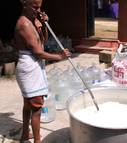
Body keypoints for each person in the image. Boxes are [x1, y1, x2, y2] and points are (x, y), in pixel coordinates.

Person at [13, 0, 71, 143]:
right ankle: (38, 141)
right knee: (36, 108)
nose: (39, 10)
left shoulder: (33, 20)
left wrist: (44, 24)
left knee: (28, 105)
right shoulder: (24, 24)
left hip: (33, 66)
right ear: (25, 5)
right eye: (35, 7)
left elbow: (43, 40)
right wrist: (59, 57)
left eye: (40, 7)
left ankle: (25, 135)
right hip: (29, 68)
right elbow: (38, 52)